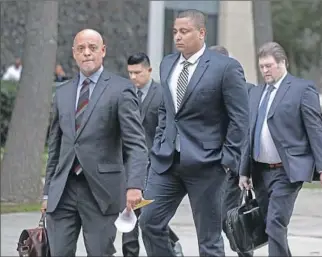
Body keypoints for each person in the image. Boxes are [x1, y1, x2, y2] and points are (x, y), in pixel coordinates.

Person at [139, 9, 249, 257]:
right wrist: (160, 141)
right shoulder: (167, 64)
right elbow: (167, 111)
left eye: (184, 31)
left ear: (201, 33)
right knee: (149, 222)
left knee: (208, 240)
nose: (178, 36)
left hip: (208, 164)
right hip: (167, 161)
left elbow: (240, 119)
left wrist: (227, 160)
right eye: (175, 31)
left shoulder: (226, 68)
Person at [42, 29, 149, 256]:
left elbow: (136, 144)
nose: (87, 53)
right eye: (81, 49)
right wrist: (46, 193)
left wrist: (134, 185)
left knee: (100, 252)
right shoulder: (62, 93)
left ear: (103, 50)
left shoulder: (121, 89)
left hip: (102, 192)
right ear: (74, 53)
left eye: (92, 47)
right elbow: (55, 148)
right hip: (63, 192)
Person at [239, 41, 322, 257]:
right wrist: (244, 171)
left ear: (283, 63)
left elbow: (316, 130)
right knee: (271, 227)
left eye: (269, 66)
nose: (265, 71)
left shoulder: (302, 89)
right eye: (262, 66)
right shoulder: (256, 93)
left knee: (275, 223)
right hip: (260, 172)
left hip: (287, 171)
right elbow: (250, 134)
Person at [123, 52, 184, 257]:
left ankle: (170, 241)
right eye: (130, 73)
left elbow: (167, 128)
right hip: (129, 165)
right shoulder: (125, 94)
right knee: (129, 212)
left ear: (149, 70)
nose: (133, 77)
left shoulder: (161, 94)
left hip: (153, 165)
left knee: (148, 214)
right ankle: (130, 252)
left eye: (138, 73)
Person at [209, 44, 253, 257]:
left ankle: (245, 251)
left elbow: (248, 131)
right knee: (219, 220)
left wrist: (246, 169)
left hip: (235, 167)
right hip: (213, 165)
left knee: (227, 218)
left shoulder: (248, 91)